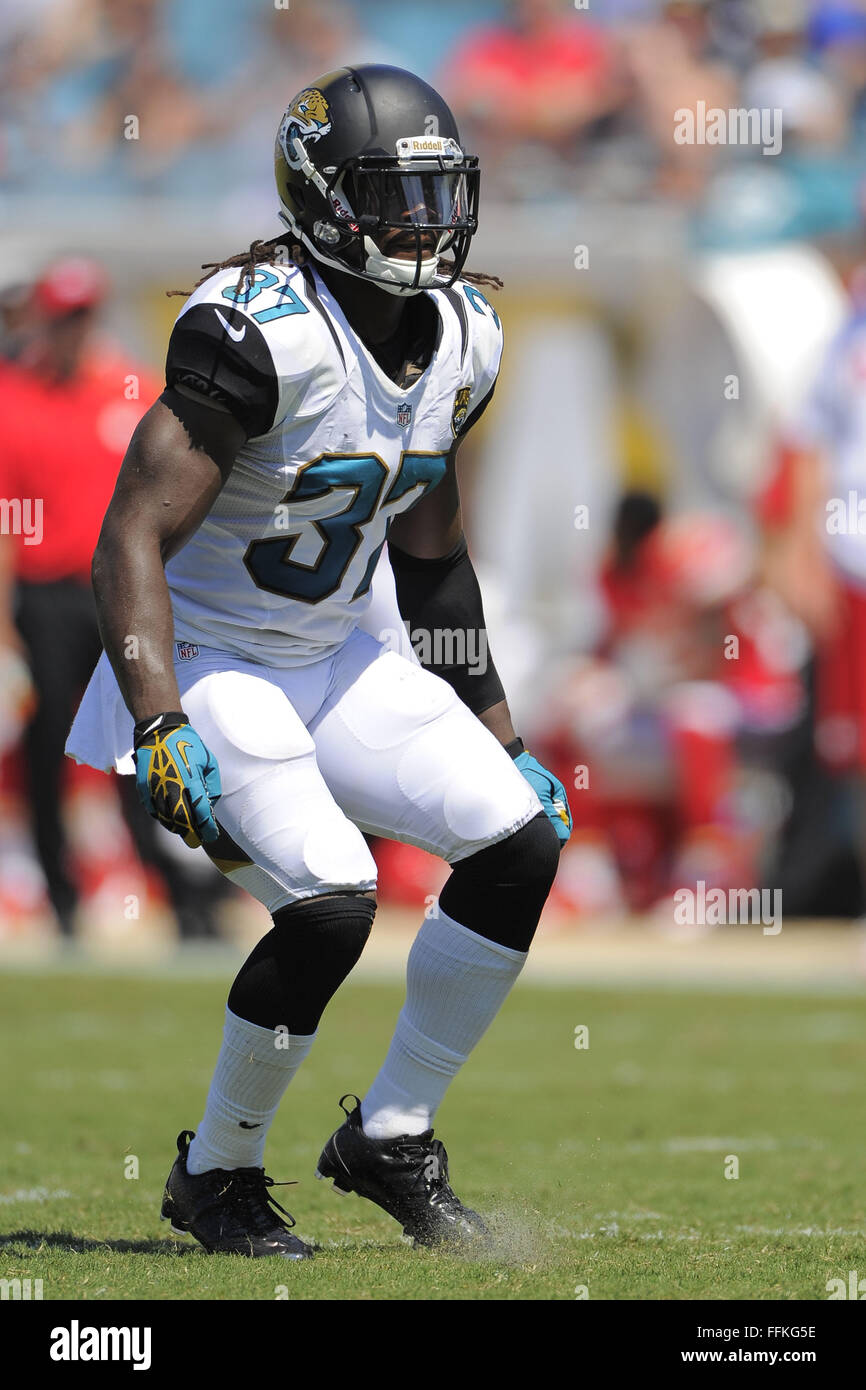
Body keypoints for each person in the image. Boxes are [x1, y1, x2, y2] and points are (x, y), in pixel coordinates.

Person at [66, 64, 572, 1258]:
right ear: (322, 199)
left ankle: (388, 1136)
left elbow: (434, 559)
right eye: (394, 198)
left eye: (439, 196)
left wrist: (503, 732)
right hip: (214, 660)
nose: (426, 225)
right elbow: (126, 536)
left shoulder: (464, 335)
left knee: (518, 842)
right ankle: (216, 1170)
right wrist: (157, 719)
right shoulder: (257, 331)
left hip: (341, 650)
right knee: (333, 898)